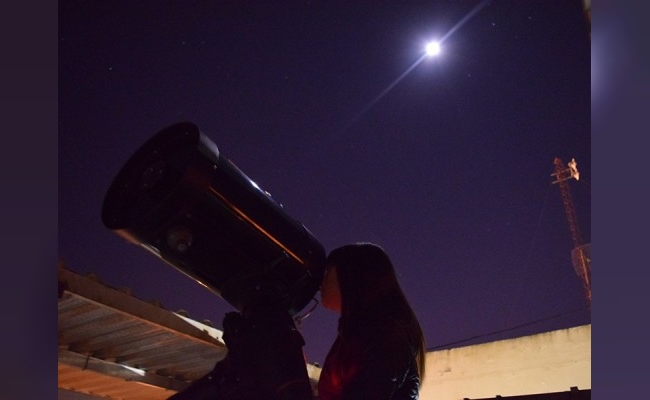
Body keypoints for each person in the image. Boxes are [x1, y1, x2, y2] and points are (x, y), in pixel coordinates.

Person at [317, 243, 426, 400]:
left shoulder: (385, 339)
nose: (322, 281)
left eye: (328, 271)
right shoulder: (359, 335)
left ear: (352, 276)